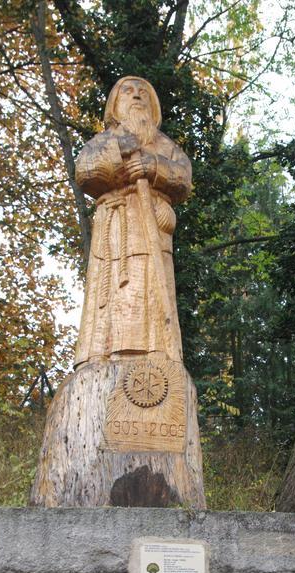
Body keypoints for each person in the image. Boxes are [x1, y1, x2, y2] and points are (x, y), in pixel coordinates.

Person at [74, 76, 192, 367]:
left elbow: (184, 178)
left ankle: (157, 352)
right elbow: (85, 172)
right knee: (109, 288)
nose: (136, 96)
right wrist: (120, 152)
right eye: (128, 91)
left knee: (151, 286)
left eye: (143, 92)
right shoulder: (103, 141)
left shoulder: (164, 146)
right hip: (113, 224)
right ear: (115, 103)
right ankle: (100, 354)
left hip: (153, 225)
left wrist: (154, 167)